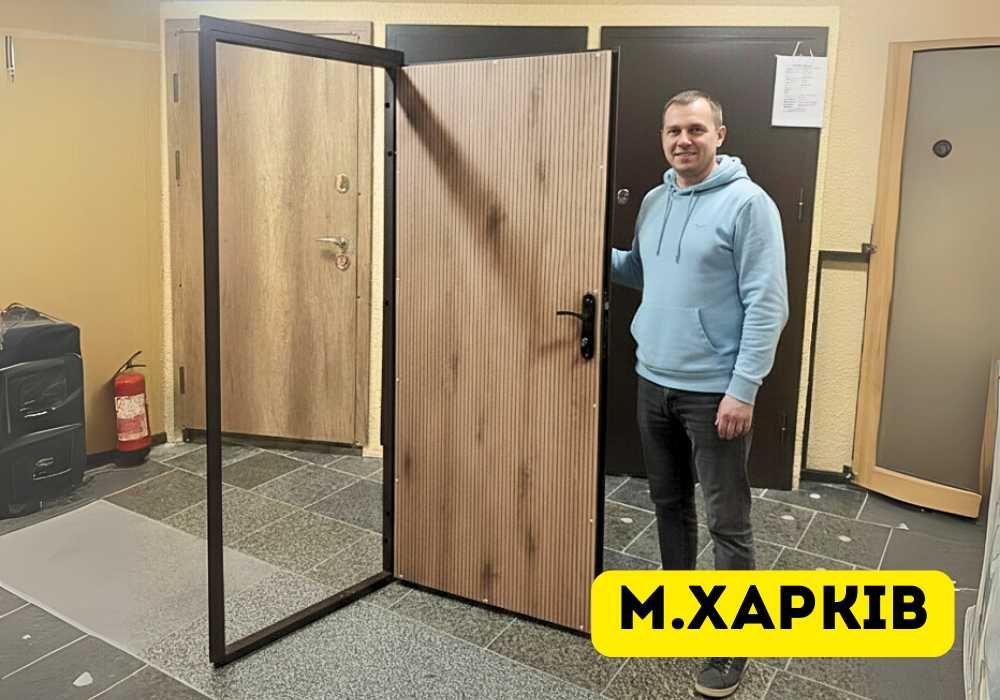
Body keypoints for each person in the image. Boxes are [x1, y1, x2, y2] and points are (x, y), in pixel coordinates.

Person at [611, 89, 788, 698]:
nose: (683, 140)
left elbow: (768, 304)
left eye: (695, 129)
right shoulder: (655, 200)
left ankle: (729, 644)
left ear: (719, 135)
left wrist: (744, 388)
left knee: (726, 522)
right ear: (663, 139)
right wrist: (587, 250)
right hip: (653, 378)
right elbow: (641, 272)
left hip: (714, 393)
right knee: (668, 503)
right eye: (673, 131)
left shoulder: (749, 204)